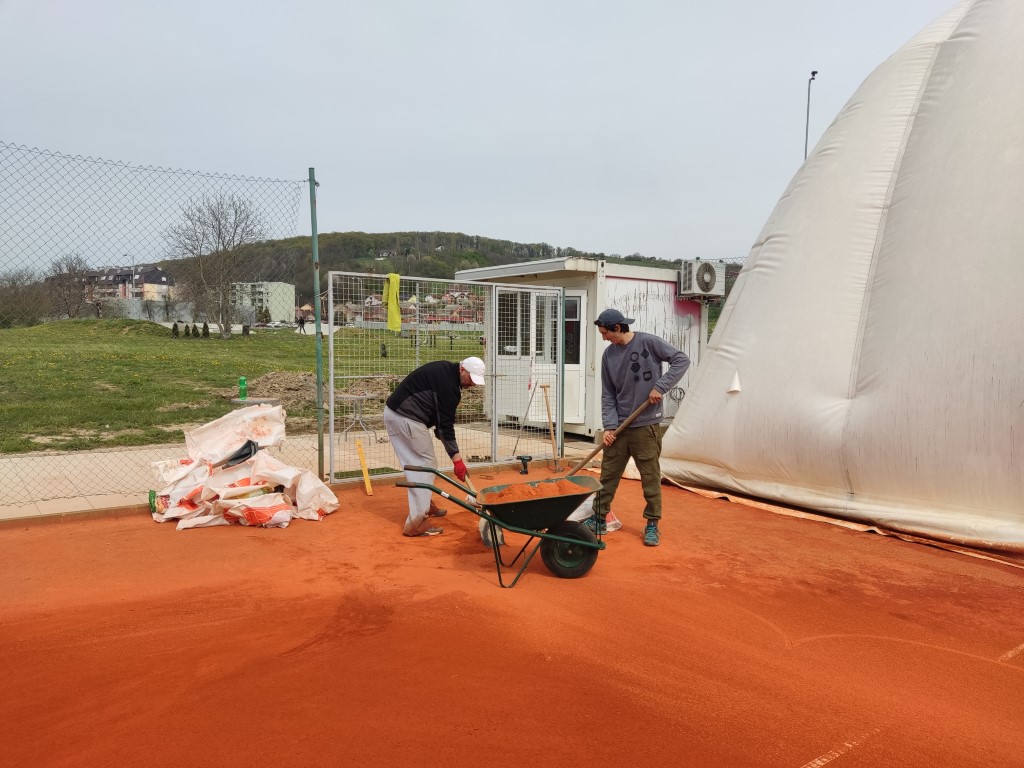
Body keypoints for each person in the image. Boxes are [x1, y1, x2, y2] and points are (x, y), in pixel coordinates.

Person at [587, 308, 689, 547]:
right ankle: (599, 517)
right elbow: (608, 394)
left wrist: (661, 386)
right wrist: (610, 427)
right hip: (620, 426)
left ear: (618, 328)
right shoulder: (608, 356)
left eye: (605, 333)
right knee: (608, 474)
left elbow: (681, 360)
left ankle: (652, 523)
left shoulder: (648, 342)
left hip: (646, 425)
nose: (603, 338)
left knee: (650, 477)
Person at [384, 356, 486, 537]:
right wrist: (457, 461)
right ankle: (416, 523)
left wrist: (450, 448)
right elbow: (445, 428)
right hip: (406, 418)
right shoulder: (449, 387)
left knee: (420, 465)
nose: (473, 384)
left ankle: (425, 504)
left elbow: (440, 426)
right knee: (425, 464)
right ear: (462, 369)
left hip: (398, 414)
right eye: (471, 379)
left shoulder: (445, 370)